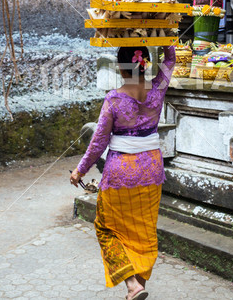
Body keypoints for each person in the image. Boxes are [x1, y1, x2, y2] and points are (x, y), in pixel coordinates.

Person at [70, 45, 176, 300]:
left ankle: (131, 284)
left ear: (119, 67)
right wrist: (161, 36)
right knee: (144, 230)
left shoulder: (114, 98)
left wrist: (79, 170)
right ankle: (136, 287)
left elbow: (98, 142)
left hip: (122, 172)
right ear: (146, 63)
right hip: (151, 169)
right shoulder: (159, 87)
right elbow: (171, 58)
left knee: (106, 227)